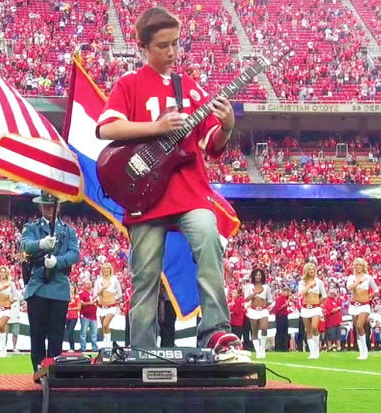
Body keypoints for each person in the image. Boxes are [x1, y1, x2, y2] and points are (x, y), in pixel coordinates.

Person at [96, 6, 240, 353]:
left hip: (189, 192)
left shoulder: (189, 88)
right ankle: (141, 349)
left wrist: (229, 126)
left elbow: (211, 142)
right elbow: (106, 128)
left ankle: (215, 332)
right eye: (163, 46)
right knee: (144, 275)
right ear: (143, 48)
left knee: (209, 239)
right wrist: (156, 128)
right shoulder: (129, 84)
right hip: (146, 196)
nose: (173, 52)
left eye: (176, 44)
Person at [21, 191, 80, 371]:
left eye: (51, 206)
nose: (49, 209)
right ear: (40, 207)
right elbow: (26, 244)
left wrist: (57, 262)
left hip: (59, 285)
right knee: (37, 333)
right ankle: (39, 370)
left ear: (58, 206)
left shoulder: (68, 230)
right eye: (45, 206)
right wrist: (41, 244)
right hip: (38, 285)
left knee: (56, 333)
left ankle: (53, 370)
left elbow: (74, 253)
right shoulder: (32, 227)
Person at [346, 257, 378, 360]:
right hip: (354, 305)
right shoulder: (351, 277)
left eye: (360, 264)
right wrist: (358, 282)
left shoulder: (368, 277)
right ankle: (361, 351)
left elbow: (376, 290)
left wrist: (369, 296)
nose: (358, 266)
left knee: (360, 325)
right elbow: (349, 288)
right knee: (357, 328)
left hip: (364, 305)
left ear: (363, 266)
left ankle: (365, 350)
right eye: (356, 265)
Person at [0, 266, 23, 357]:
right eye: (1, 272)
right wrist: (2, 287)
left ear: (7, 273)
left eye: (4, 272)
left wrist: (10, 302)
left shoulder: (11, 284)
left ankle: (4, 350)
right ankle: (2, 348)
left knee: (2, 325)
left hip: (6, 309)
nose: (3, 274)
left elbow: (15, 296)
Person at [297, 263, 327, 359]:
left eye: (313, 269)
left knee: (314, 327)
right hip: (306, 308)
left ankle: (316, 350)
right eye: (309, 269)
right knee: (308, 330)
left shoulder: (319, 282)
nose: (311, 271)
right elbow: (300, 294)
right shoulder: (302, 282)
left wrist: (319, 302)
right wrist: (308, 286)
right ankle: (312, 351)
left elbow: (324, 295)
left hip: (316, 308)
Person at [243, 268, 273, 359]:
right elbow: (246, 299)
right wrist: (254, 294)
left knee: (264, 328)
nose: (258, 276)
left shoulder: (266, 287)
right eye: (256, 275)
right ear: (253, 276)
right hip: (253, 310)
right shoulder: (248, 287)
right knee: (254, 331)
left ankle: (262, 348)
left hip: (263, 310)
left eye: (260, 275)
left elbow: (270, 300)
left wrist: (264, 304)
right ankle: (258, 350)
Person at [94, 262, 123, 348]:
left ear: (110, 270)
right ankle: (105, 343)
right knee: (103, 327)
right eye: (104, 268)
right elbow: (96, 293)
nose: (106, 270)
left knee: (106, 324)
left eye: (107, 268)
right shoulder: (98, 280)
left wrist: (115, 298)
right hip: (101, 307)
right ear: (102, 270)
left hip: (111, 306)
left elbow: (119, 293)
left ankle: (108, 344)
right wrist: (103, 288)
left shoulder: (114, 280)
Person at [78, 279, 98, 351]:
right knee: (83, 333)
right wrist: (90, 303)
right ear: (84, 285)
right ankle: (83, 348)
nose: (88, 285)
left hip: (94, 316)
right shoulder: (81, 293)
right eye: (87, 283)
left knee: (94, 333)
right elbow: (81, 303)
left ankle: (94, 348)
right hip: (85, 316)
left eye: (89, 283)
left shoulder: (94, 294)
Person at [272, 287, 291, 352]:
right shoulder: (280, 298)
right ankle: (279, 347)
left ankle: (284, 346)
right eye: (287, 292)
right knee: (280, 331)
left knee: (285, 332)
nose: (288, 293)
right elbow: (278, 307)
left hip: (285, 316)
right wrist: (286, 304)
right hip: (280, 316)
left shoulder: (286, 298)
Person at [65, 284, 81, 351]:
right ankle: (70, 347)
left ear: (74, 289)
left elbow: (79, 307)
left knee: (70, 332)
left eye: (72, 288)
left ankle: (72, 348)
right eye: (70, 288)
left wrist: (70, 309)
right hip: (67, 317)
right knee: (68, 332)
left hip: (74, 317)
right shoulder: (66, 297)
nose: (71, 289)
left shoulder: (76, 297)